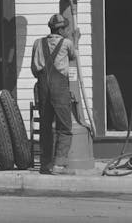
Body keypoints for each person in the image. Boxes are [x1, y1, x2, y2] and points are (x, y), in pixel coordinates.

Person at [32, 12, 78, 175]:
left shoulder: (38, 43)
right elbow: (74, 57)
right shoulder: (67, 43)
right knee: (65, 126)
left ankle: (46, 165)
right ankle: (59, 165)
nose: (67, 31)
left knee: (45, 127)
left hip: (43, 88)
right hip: (60, 89)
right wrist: (76, 39)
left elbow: (34, 70)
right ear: (61, 30)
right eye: (65, 28)